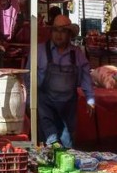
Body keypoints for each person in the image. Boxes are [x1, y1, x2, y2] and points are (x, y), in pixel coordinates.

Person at [37, 15, 95, 148]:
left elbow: (86, 76)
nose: (59, 35)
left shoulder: (77, 53)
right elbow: (29, 78)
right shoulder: (39, 51)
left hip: (68, 108)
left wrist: (90, 98)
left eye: (63, 31)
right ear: (51, 32)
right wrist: (30, 101)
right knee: (50, 144)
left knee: (67, 146)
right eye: (56, 30)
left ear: (69, 34)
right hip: (46, 107)